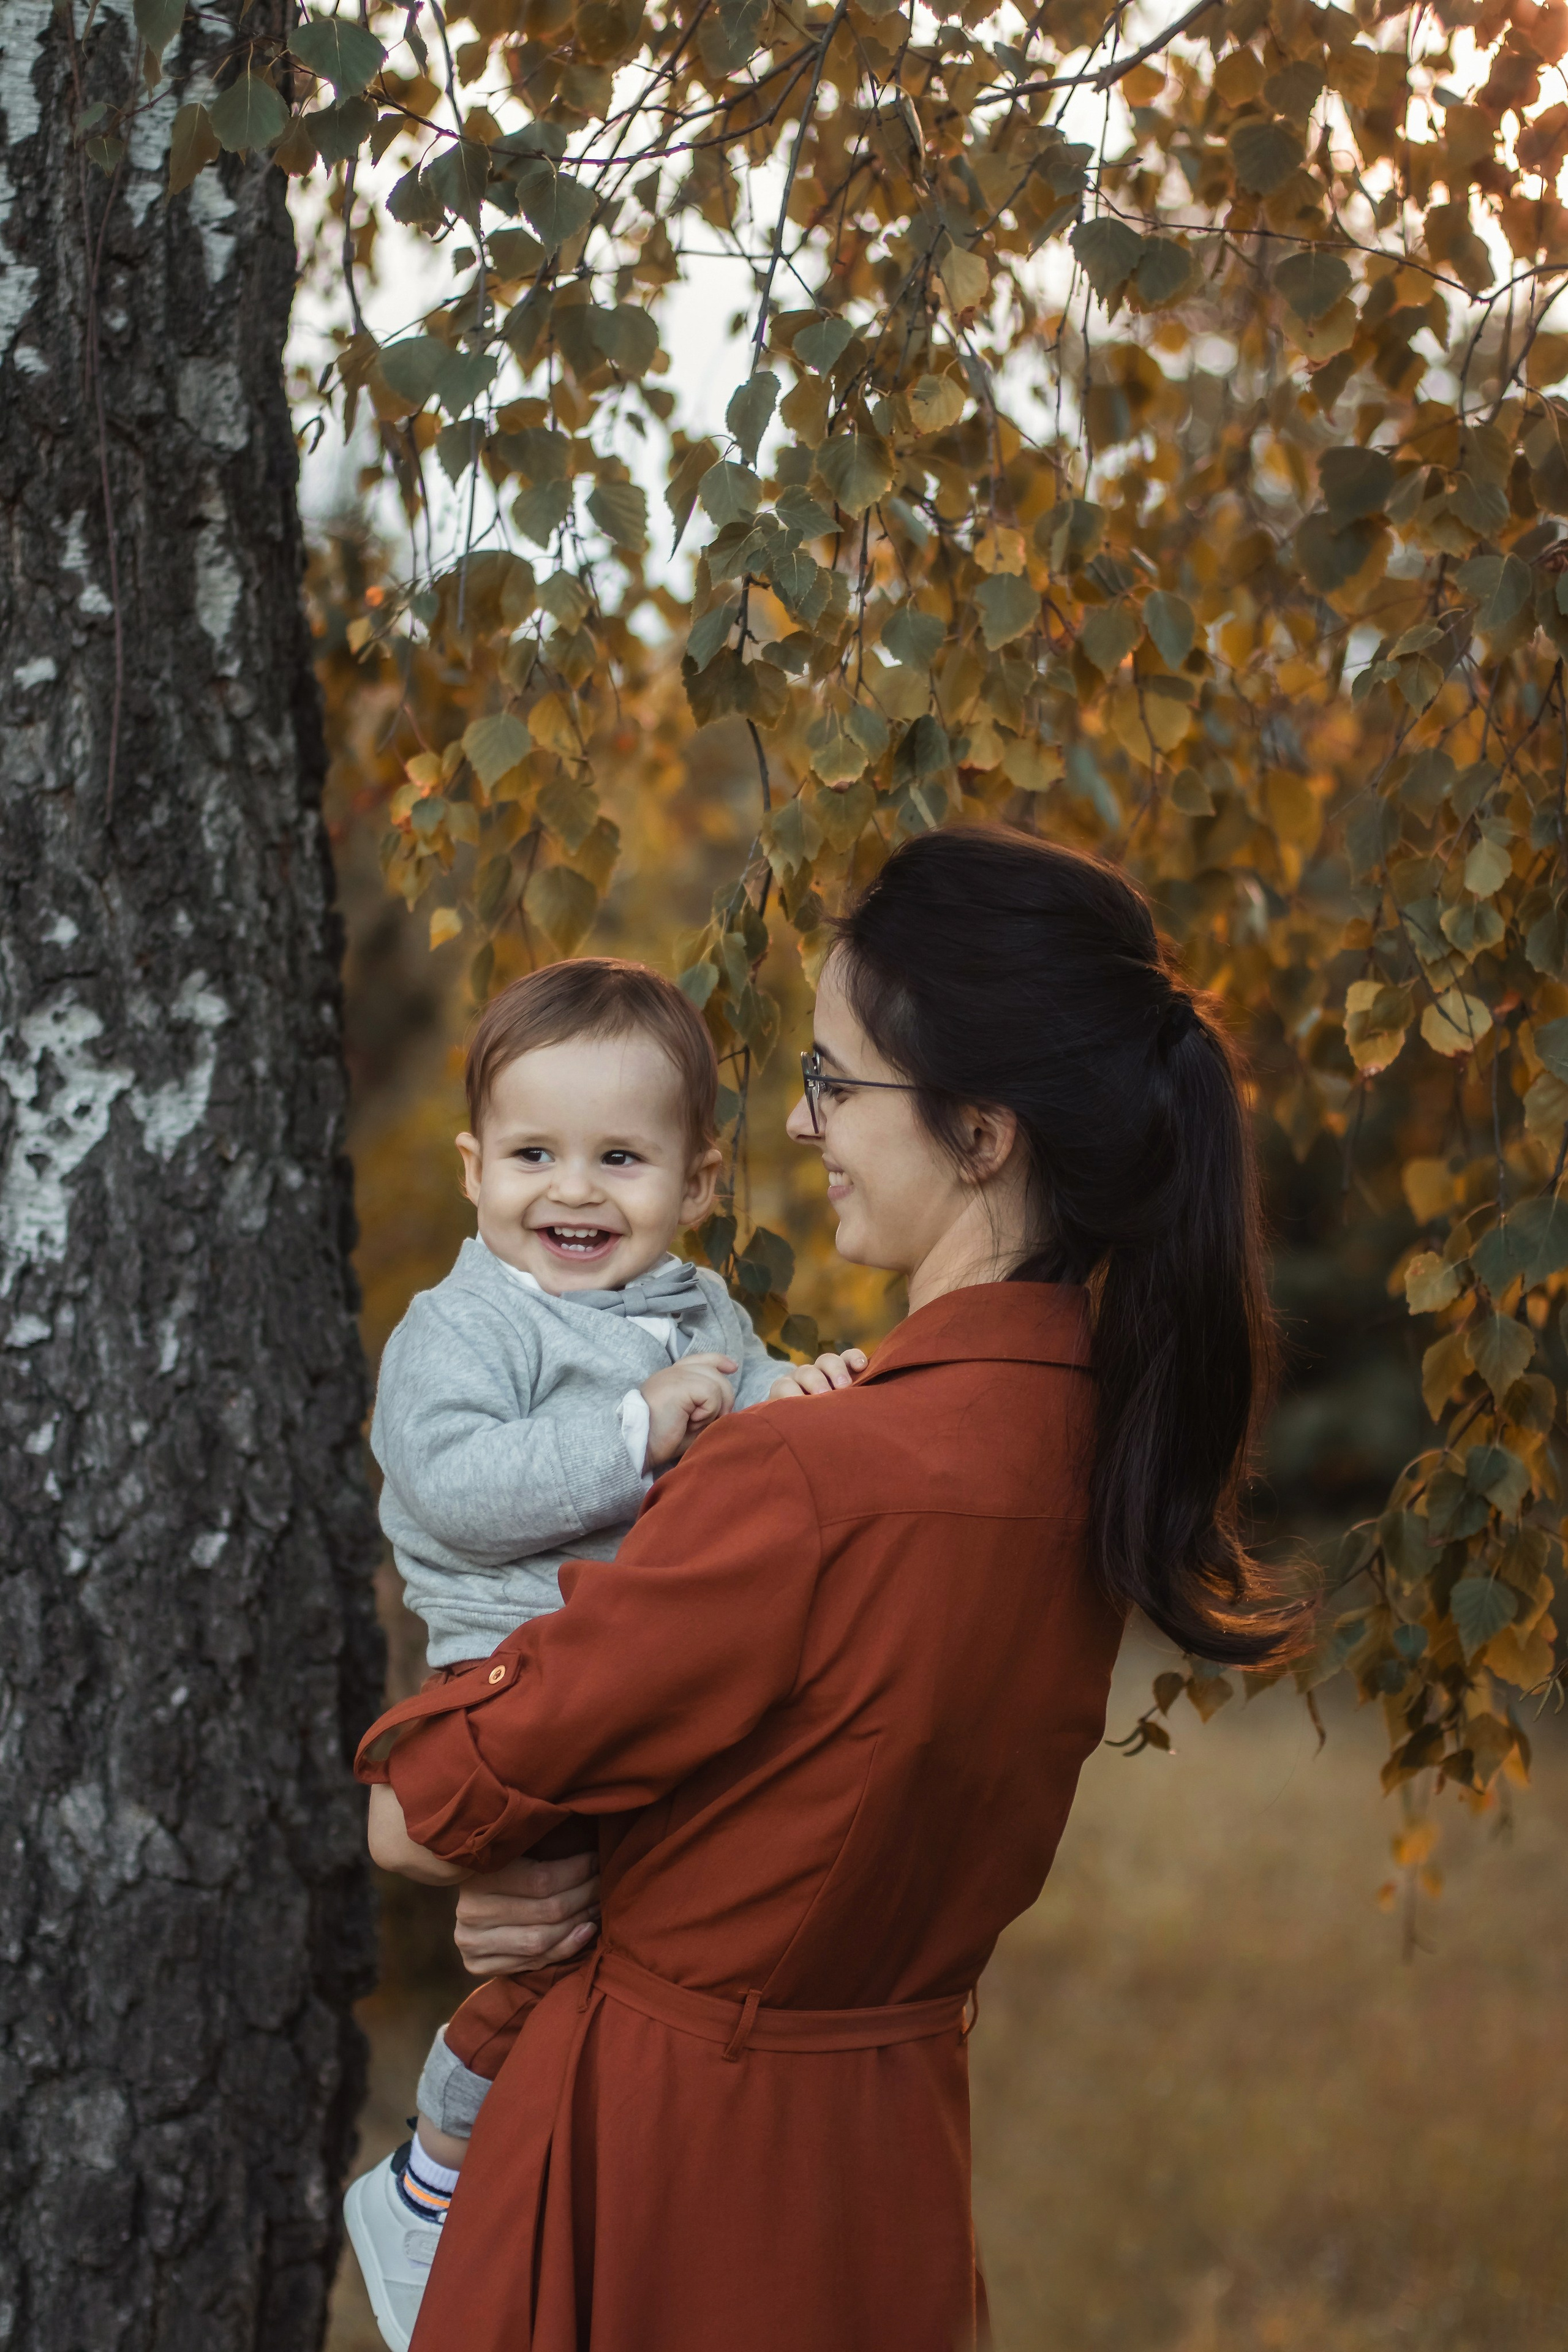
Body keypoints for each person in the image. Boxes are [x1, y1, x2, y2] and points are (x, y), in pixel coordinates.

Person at [356, 827, 1306, 2352]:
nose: (804, 1127)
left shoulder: (808, 1475)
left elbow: (435, 1804)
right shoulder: (1084, 1449)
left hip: (661, 2180)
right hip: (882, 2160)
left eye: (834, 1082)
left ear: (980, 1132)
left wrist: (444, 1839)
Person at [344, 958, 863, 2351]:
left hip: (643, 1673)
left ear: (696, 1183)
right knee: (569, 1937)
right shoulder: (464, 1326)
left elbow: (747, 1419)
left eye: (619, 1159)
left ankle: (464, 2180)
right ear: (472, 1170)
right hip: (515, 1670)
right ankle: (437, 2177)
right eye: (533, 1156)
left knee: (593, 1949)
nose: (572, 1193)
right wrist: (635, 1432)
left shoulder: (697, 1310)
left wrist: (799, 1399)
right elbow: (453, 1484)